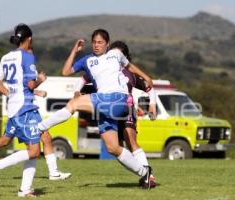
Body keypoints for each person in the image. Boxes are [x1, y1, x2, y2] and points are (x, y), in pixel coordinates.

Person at [36, 29, 154, 189]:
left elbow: (130, 66)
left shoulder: (115, 54)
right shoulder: (87, 60)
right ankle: (144, 173)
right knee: (113, 148)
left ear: (107, 44)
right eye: (94, 42)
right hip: (106, 105)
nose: (96, 45)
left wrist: (146, 77)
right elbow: (65, 71)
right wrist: (74, 51)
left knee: (74, 103)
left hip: (117, 99)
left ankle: (39, 128)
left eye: (100, 42)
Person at [0, 24, 67, 197]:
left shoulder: (6, 57)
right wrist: (41, 79)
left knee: (27, 143)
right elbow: (29, 84)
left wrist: (9, 93)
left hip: (15, 107)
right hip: (25, 109)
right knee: (34, 150)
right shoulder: (27, 57)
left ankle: (25, 189)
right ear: (30, 39)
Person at [74, 40, 158, 188]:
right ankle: (142, 173)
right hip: (108, 109)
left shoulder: (130, 72)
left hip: (127, 109)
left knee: (131, 140)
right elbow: (82, 79)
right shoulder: (102, 66)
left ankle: (149, 176)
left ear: (124, 56)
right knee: (114, 148)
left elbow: (150, 87)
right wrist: (77, 92)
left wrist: (152, 104)